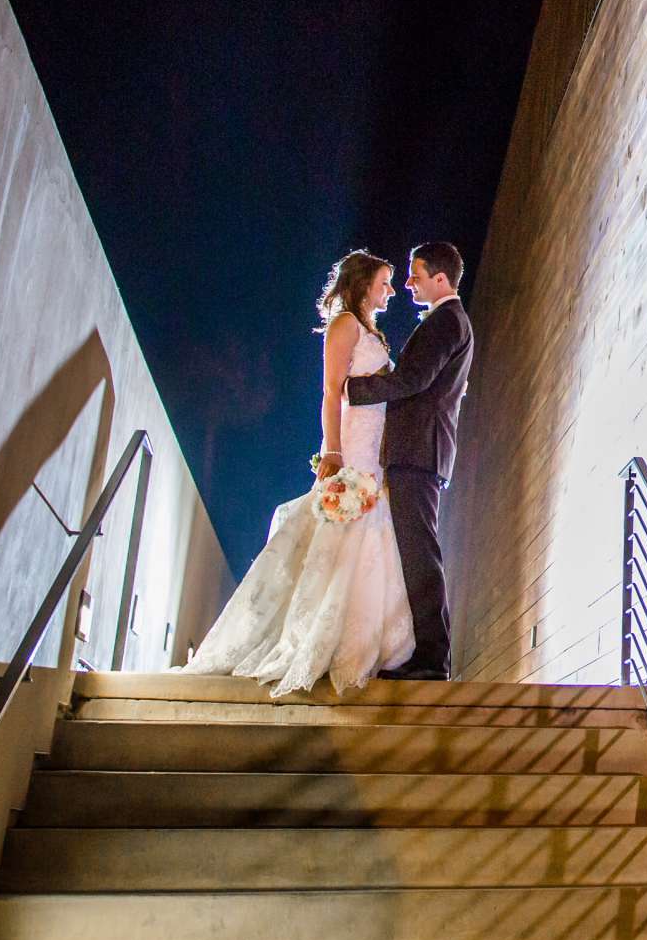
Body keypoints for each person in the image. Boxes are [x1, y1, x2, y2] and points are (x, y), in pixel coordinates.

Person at [182, 250, 415, 693]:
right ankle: (314, 640)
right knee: (337, 539)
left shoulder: (372, 332)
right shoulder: (345, 324)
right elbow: (331, 391)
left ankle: (361, 641)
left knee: (367, 543)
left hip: (375, 449)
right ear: (365, 283)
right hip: (352, 446)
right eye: (385, 281)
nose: (390, 290)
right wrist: (333, 451)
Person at [344, 240, 471, 680]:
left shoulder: (447, 321)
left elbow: (416, 379)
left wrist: (356, 391)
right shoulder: (448, 321)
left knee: (420, 553)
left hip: (420, 451)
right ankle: (425, 654)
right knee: (415, 551)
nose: (409, 282)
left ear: (440, 278)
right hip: (420, 450)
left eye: (415, 274)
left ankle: (432, 661)